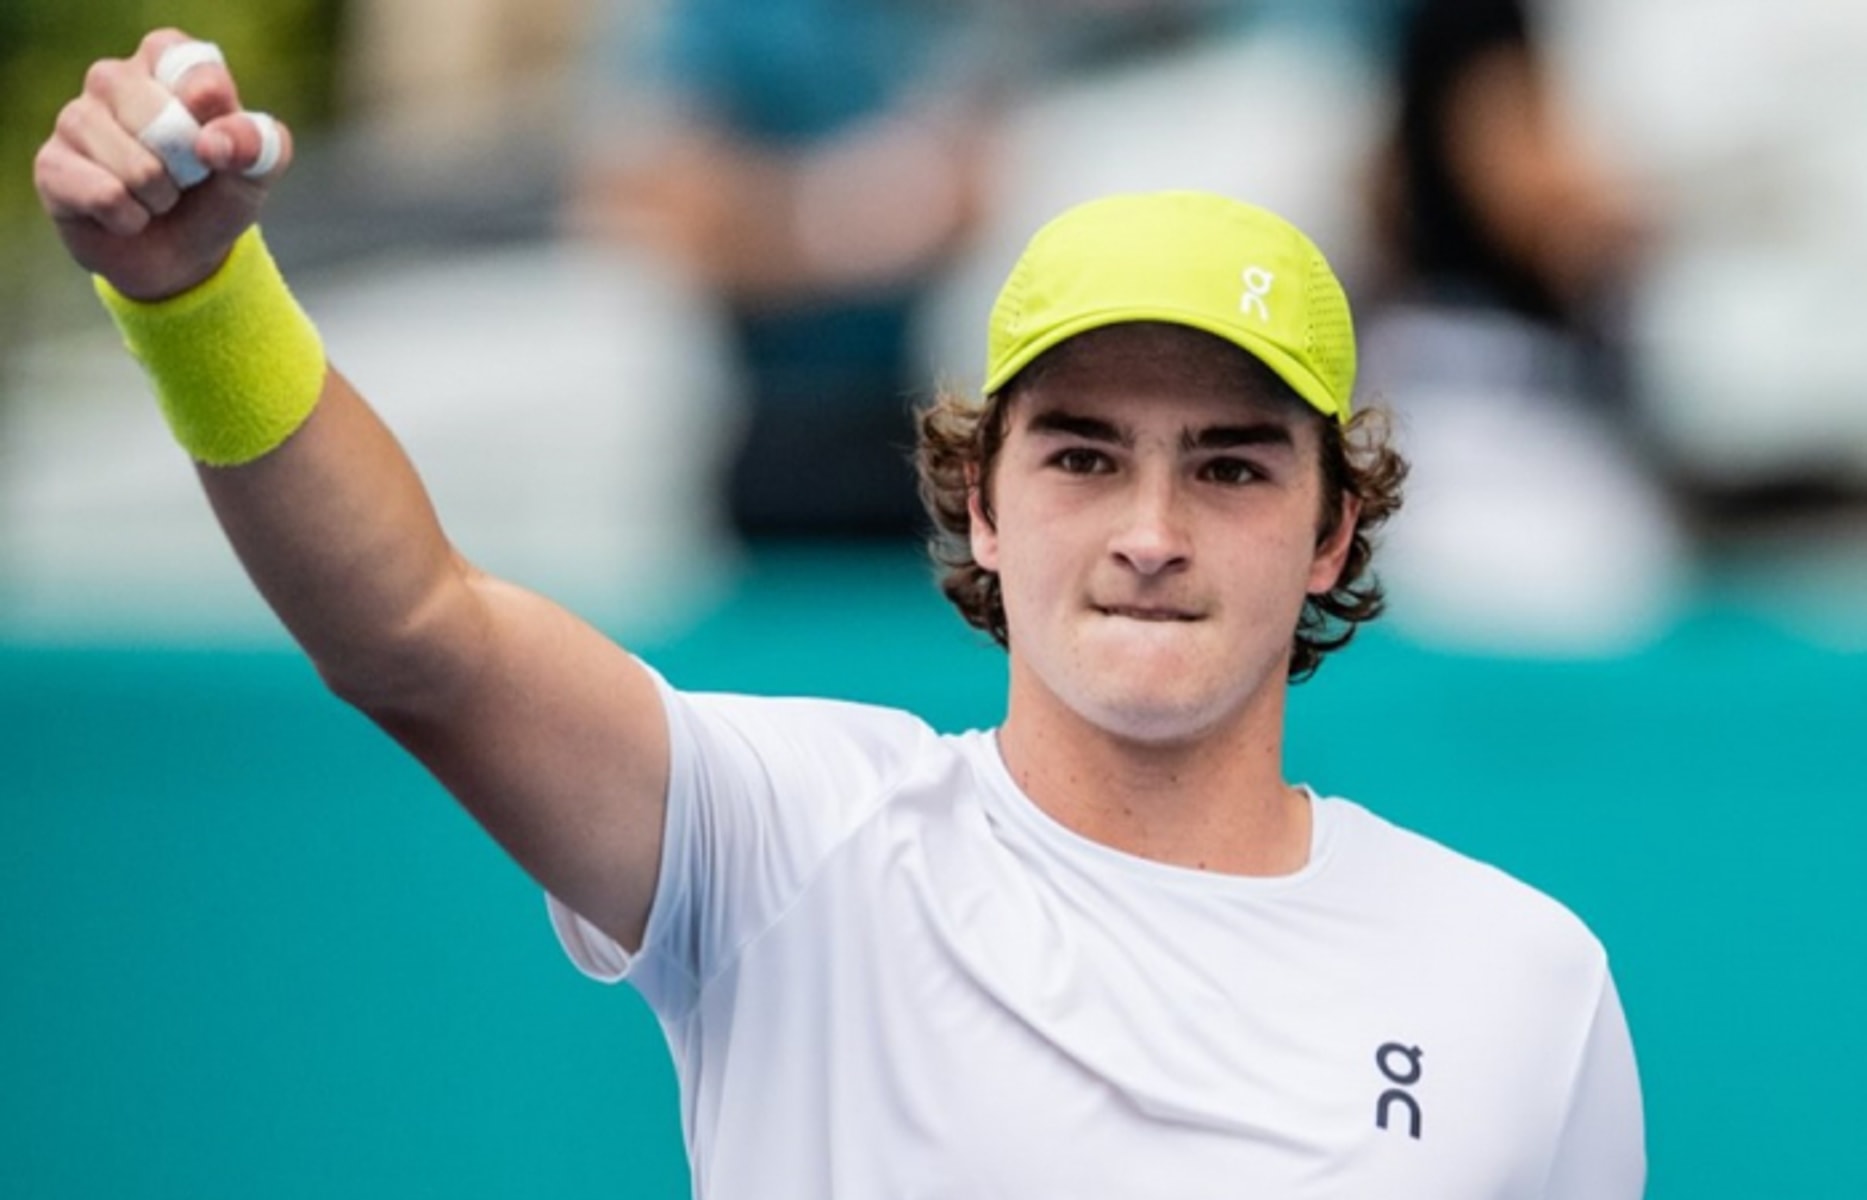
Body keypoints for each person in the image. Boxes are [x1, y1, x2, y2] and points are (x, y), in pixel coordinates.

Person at [36, 29, 1645, 1197]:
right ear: (983, 505)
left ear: (1331, 531)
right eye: (1084, 457)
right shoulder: (791, 838)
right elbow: (408, 631)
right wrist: (198, 299)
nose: (1152, 535)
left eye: (1228, 468)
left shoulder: (1521, 979)